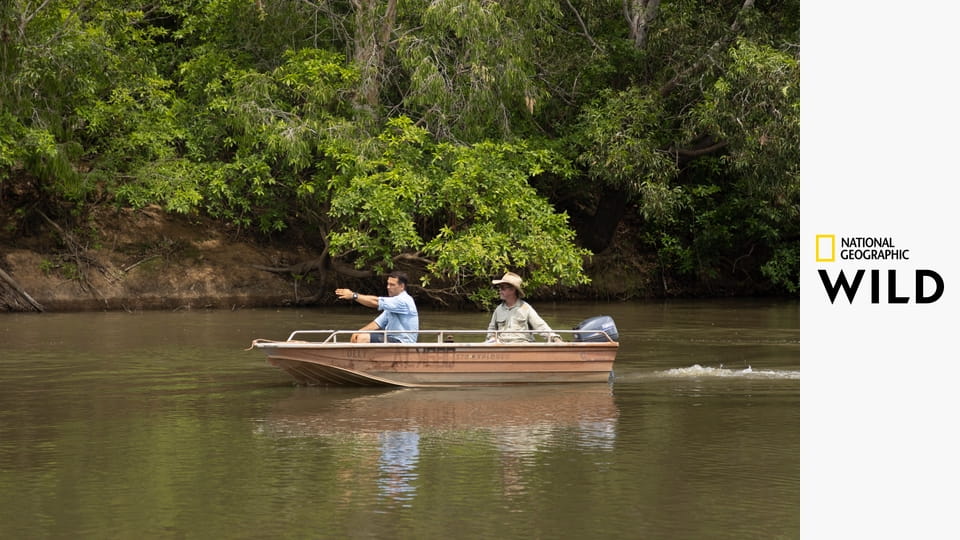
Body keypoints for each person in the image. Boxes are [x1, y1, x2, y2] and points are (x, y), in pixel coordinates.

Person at [335, 271, 419, 343]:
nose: (388, 287)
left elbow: (375, 302)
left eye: (392, 285)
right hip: (392, 339)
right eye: (388, 284)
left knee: (363, 338)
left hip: (403, 342)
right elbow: (378, 323)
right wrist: (358, 332)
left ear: (402, 286)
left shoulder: (403, 301)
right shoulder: (392, 304)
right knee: (360, 335)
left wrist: (353, 295)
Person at [485, 271, 562, 343]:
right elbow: (491, 329)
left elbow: (540, 326)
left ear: (512, 290)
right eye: (499, 288)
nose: (500, 291)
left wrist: (554, 338)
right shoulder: (498, 309)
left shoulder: (526, 308)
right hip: (502, 346)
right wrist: (492, 338)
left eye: (503, 288)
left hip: (522, 345)